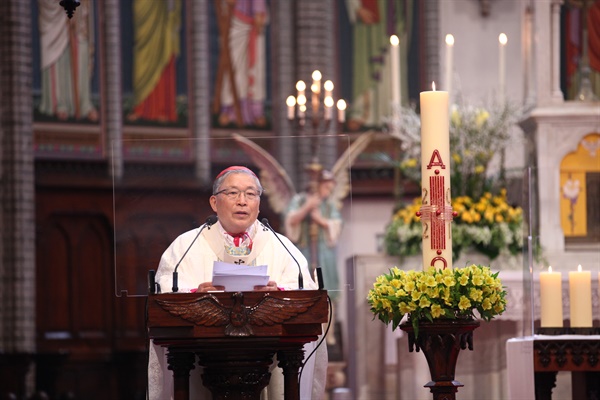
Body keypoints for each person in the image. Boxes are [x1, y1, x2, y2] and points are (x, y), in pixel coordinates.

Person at [148, 166, 327, 400]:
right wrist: (194, 293)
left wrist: (280, 293)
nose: (242, 201)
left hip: (272, 360)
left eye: (251, 194)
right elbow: (164, 292)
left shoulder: (282, 247)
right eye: (232, 193)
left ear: (259, 203)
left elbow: (306, 293)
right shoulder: (185, 247)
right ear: (214, 202)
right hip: (198, 361)